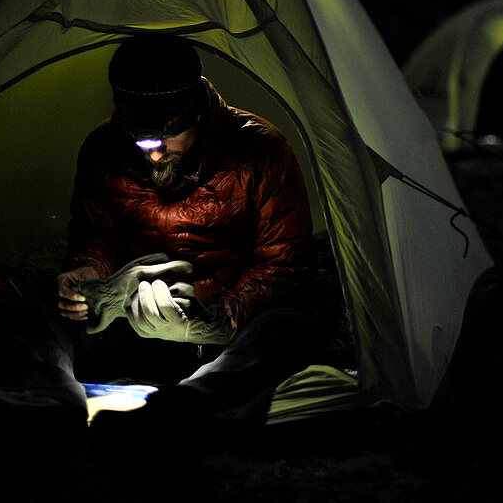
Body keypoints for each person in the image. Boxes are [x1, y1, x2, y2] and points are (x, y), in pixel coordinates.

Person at [49, 33, 319, 429]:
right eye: (140, 137)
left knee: (288, 330)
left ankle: (185, 405)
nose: (153, 151)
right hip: (130, 323)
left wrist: (217, 319)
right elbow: (96, 234)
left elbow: (285, 268)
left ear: (195, 114)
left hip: (216, 336)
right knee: (32, 313)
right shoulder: (103, 148)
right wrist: (90, 273)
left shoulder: (262, 152)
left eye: (165, 134)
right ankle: (41, 398)